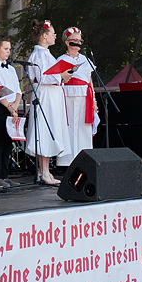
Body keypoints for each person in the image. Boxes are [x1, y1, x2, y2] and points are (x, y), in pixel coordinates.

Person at [24, 19, 66, 186]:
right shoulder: (39, 55)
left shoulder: (46, 54)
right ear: (44, 36)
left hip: (51, 96)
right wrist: (61, 76)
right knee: (45, 130)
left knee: (49, 129)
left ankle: (44, 170)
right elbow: (41, 77)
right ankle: (45, 171)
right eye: (53, 33)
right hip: (45, 96)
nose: (55, 36)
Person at [56, 26, 100, 168]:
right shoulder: (61, 60)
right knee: (69, 127)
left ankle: (84, 159)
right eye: (75, 40)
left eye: (80, 40)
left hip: (84, 96)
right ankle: (67, 161)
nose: (78, 43)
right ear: (67, 42)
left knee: (83, 128)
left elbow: (89, 81)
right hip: (68, 95)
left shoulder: (85, 59)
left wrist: (94, 100)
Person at [0, 35, 23, 188]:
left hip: (12, 107)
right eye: (6, 49)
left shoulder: (12, 69)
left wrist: (15, 106)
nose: (9, 52)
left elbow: (18, 90)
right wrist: (9, 107)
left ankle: (5, 175)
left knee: (9, 142)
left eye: (9, 49)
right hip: (0, 107)